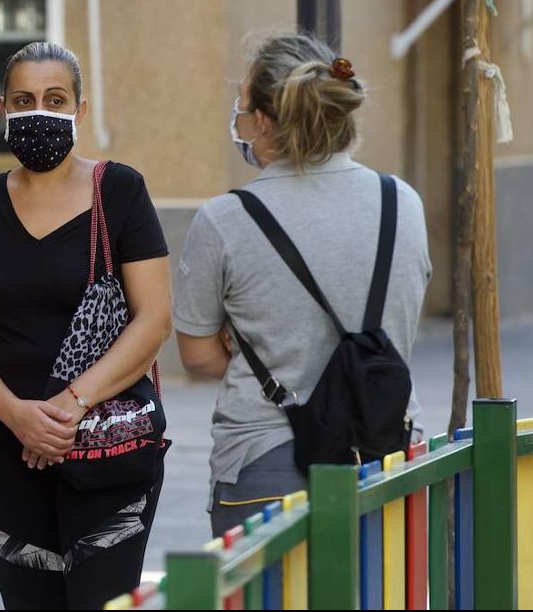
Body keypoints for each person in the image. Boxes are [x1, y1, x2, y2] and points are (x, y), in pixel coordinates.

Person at [0, 42, 172, 610]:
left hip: (106, 443)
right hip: (0, 445)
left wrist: (67, 406)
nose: (38, 111)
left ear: (80, 110)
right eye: (24, 99)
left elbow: (154, 320)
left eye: (54, 99)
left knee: (102, 602)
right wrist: (17, 415)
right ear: (3, 108)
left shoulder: (120, 192)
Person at [173, 32, 430, 538]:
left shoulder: (225, 220)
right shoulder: (403, 202)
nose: (239, 118)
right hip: (389, 454)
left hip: (267, 464)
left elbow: (199, 357)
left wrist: (252, 344)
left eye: (242, 105)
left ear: (264, 121)